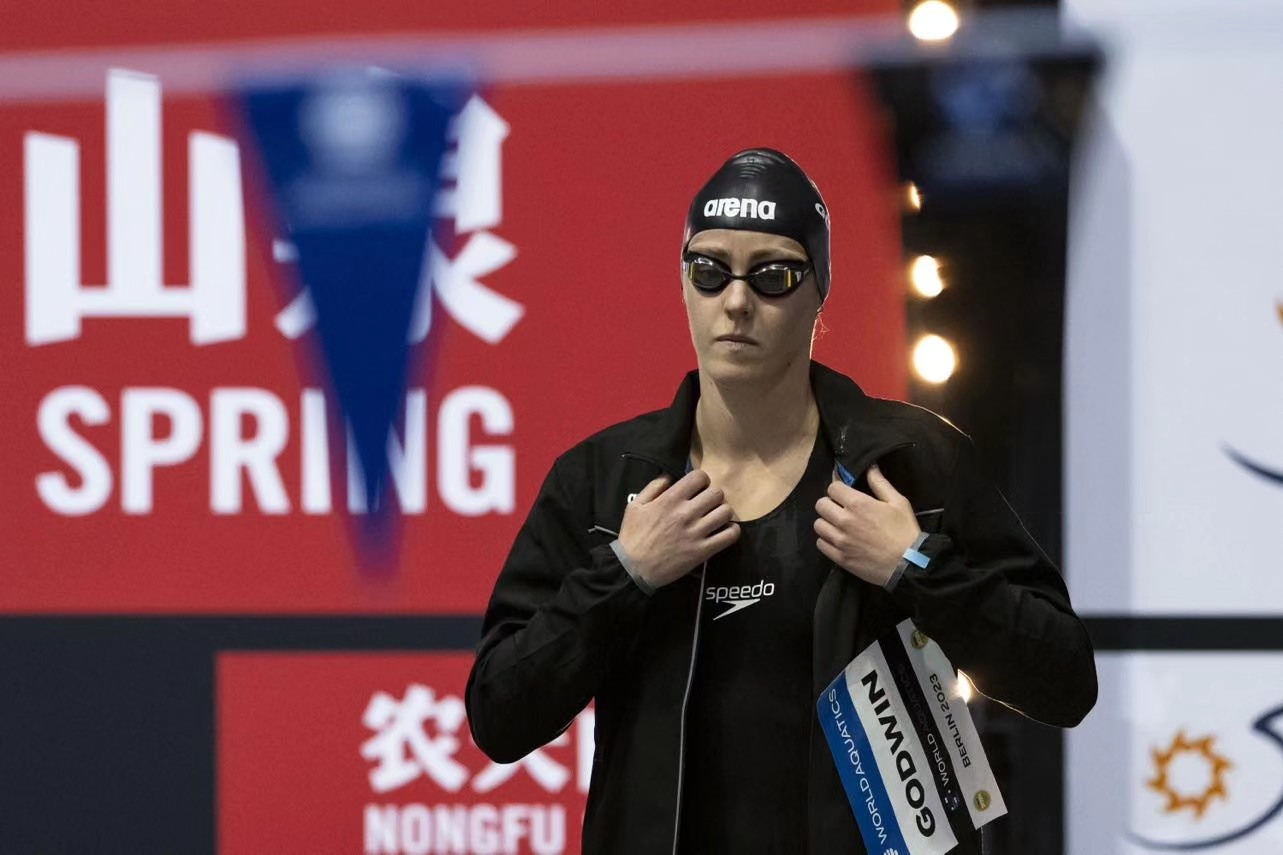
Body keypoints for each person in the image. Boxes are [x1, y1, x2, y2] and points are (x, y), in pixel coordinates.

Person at [465, 148, 1097, 854]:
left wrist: (916, 564)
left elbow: (1064, 681)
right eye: (709, 272)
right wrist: (625, 573)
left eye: (772, 276)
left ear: (818, 290)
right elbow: (498, 715)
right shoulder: (603, 483)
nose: (736, 302)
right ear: (683, 284)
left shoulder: (914, 467)